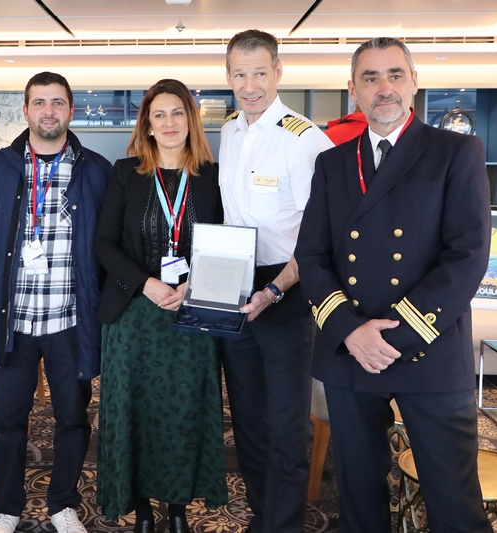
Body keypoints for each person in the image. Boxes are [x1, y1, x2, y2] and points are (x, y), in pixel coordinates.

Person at [294, 37, 493, 532]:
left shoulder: (456, 151)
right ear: (352, 91)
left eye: (395, 75)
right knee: (359, 498)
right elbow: (312, 256)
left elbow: (467, 257)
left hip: (429, 347)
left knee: (453, 499)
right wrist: (351, 331)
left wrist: (393, 336)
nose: (384, 88)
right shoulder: (332, 163)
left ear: (414, 83)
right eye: (370, 78)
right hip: (352, 353)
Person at [0, 71, 111, 533]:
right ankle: (6, 508)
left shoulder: (96, 169)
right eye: (39, 102)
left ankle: (62, 504)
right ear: (25, 111)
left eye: (58, 102)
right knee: (8, 421)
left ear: (71, 110)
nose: (49, 111)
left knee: (72, 417)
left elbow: (108, 248)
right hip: (11, 320)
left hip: (71, 320)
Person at [94, 79, 226, 533]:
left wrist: (194, 285)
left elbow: (223, 246)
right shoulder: (125, 173)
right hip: (133, 315)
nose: (169, 123)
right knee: (136, 414)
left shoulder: (211, 176)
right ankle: (143, 508)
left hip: (190, 315)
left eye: (177, 113)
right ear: (147, 125)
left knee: (185, 412)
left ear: (191, 120)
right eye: (159, 115)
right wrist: (146, 283)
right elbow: (104, 245)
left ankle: (176, 506)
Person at [218, 30, 333, 533]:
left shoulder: (304, 139)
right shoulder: (227, 131)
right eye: (239, 74)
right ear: (228, 77)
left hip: (286, 291)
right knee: (246, 419)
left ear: (278, 73)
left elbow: (319, 236)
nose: (249, 85)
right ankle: (263, 517)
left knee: (286, 423)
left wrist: (274, 290)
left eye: (259, 72)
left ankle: (284, 525)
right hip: (234, 284)